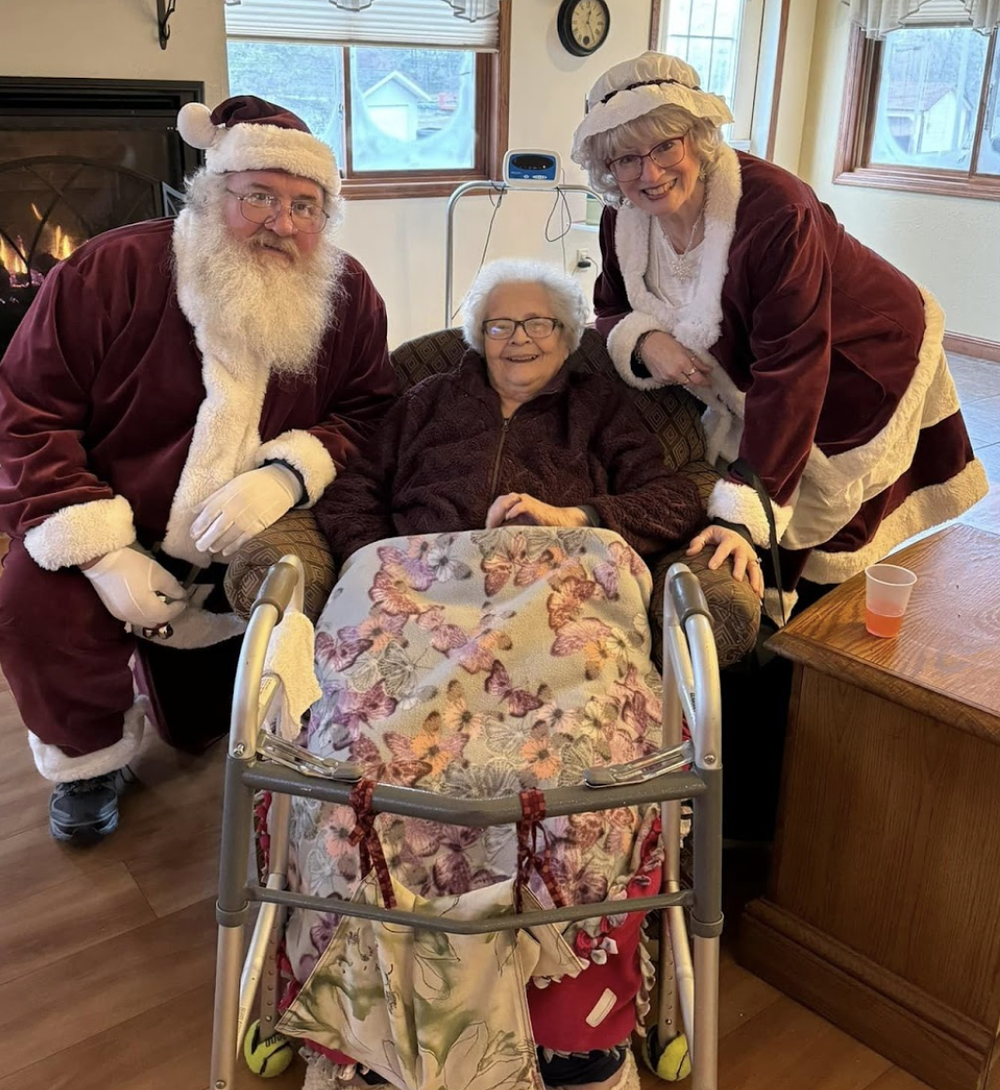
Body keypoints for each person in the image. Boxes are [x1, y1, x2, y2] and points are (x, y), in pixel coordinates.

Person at [280, 260, 757, 1090]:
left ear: (568, 337)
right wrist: (396, 569)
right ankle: (372, 1006)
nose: (519, 339)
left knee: (584, 768)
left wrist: (574, 519)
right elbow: (352, 494)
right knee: (360, 754)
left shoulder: (601, 408)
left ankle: (573, 1012)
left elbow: (671, 498)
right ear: (477, 335)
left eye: (540, 324)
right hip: (419, 603)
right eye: (501, 324)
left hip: (559, 603)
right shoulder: (423, 404)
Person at [0, 95, 397, 844]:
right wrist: (102, 550)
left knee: (198, 732)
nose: (283, 223)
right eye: (260, 196)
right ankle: (88, 764)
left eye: (305, 206)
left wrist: (288, 474)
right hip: (116, 522)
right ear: (215, 192)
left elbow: (372, 411)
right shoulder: (109, 270)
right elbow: (27, 409)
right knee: (29, 599)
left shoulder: (347, 295)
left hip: (247, 542)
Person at [571, 51, 988, 621]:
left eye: (666, 146)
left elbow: (793, 366)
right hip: (767, 370)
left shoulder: (776, 210)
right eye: (626, 158)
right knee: (773, 488)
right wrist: (645, 341)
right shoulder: (621, 218)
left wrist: (741, 516)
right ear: (606, 168)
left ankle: (820, 633)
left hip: (856, 356)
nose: (649, 173)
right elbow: (612, 306)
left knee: (828, 529)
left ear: (699, 137)